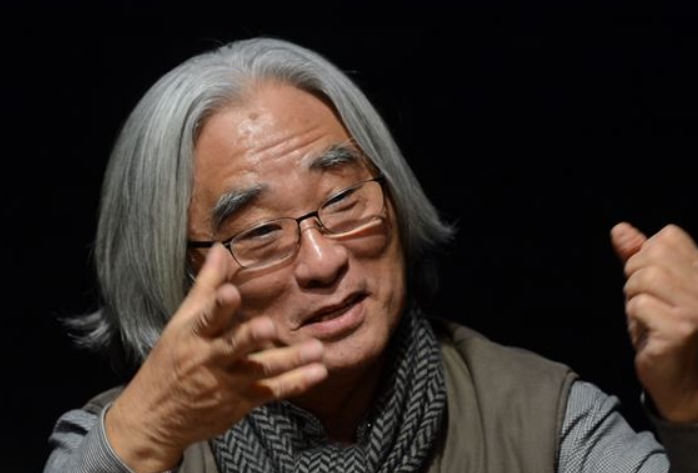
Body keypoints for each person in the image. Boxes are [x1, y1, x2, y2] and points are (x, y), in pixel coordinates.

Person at [42, 36, 697, 473]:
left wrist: (689, 407)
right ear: (180, 270)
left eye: (343, 199)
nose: (323, 260)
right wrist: (138, 440)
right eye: (260, 233)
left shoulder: (540, 419)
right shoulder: (125, 441)